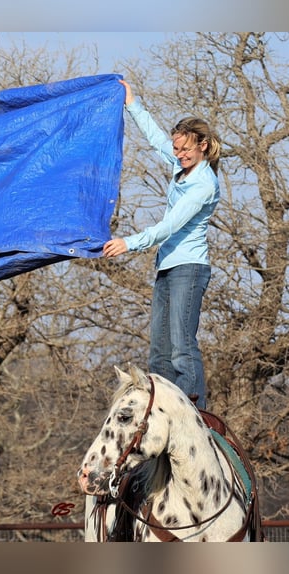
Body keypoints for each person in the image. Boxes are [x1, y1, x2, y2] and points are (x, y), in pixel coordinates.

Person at [103, 79, 221, 408]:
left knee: (182, 346)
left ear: (204, 146)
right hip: (166, 266)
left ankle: (195, 411)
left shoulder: (203, 184)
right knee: (159, 352)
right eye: (178, 149)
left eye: (186, 149)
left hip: (189, 268)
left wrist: (130, 243)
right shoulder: (180, 167)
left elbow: (170, 226)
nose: (180, 154)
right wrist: (132, 103)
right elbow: (156, 139)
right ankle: (164, 407)